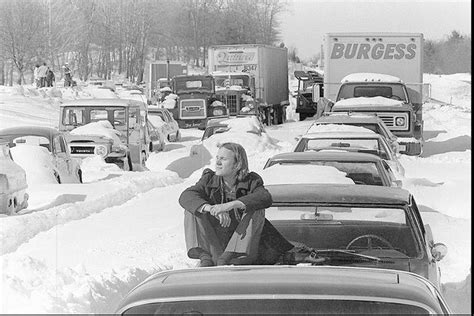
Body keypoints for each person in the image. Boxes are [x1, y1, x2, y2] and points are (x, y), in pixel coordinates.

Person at [179, 142, 294, 267]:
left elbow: (265, 198)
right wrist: (211, 208)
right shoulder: (209, 180)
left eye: (223, 159)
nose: (217, 162)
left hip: (245, 251)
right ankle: (205, 256)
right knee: (193, 207)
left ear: (237, 164)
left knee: (255, 208)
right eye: (217, 158)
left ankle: (233, 255)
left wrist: (230, 205)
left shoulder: (251, 181)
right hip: (216, 249)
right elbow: (186, 196)